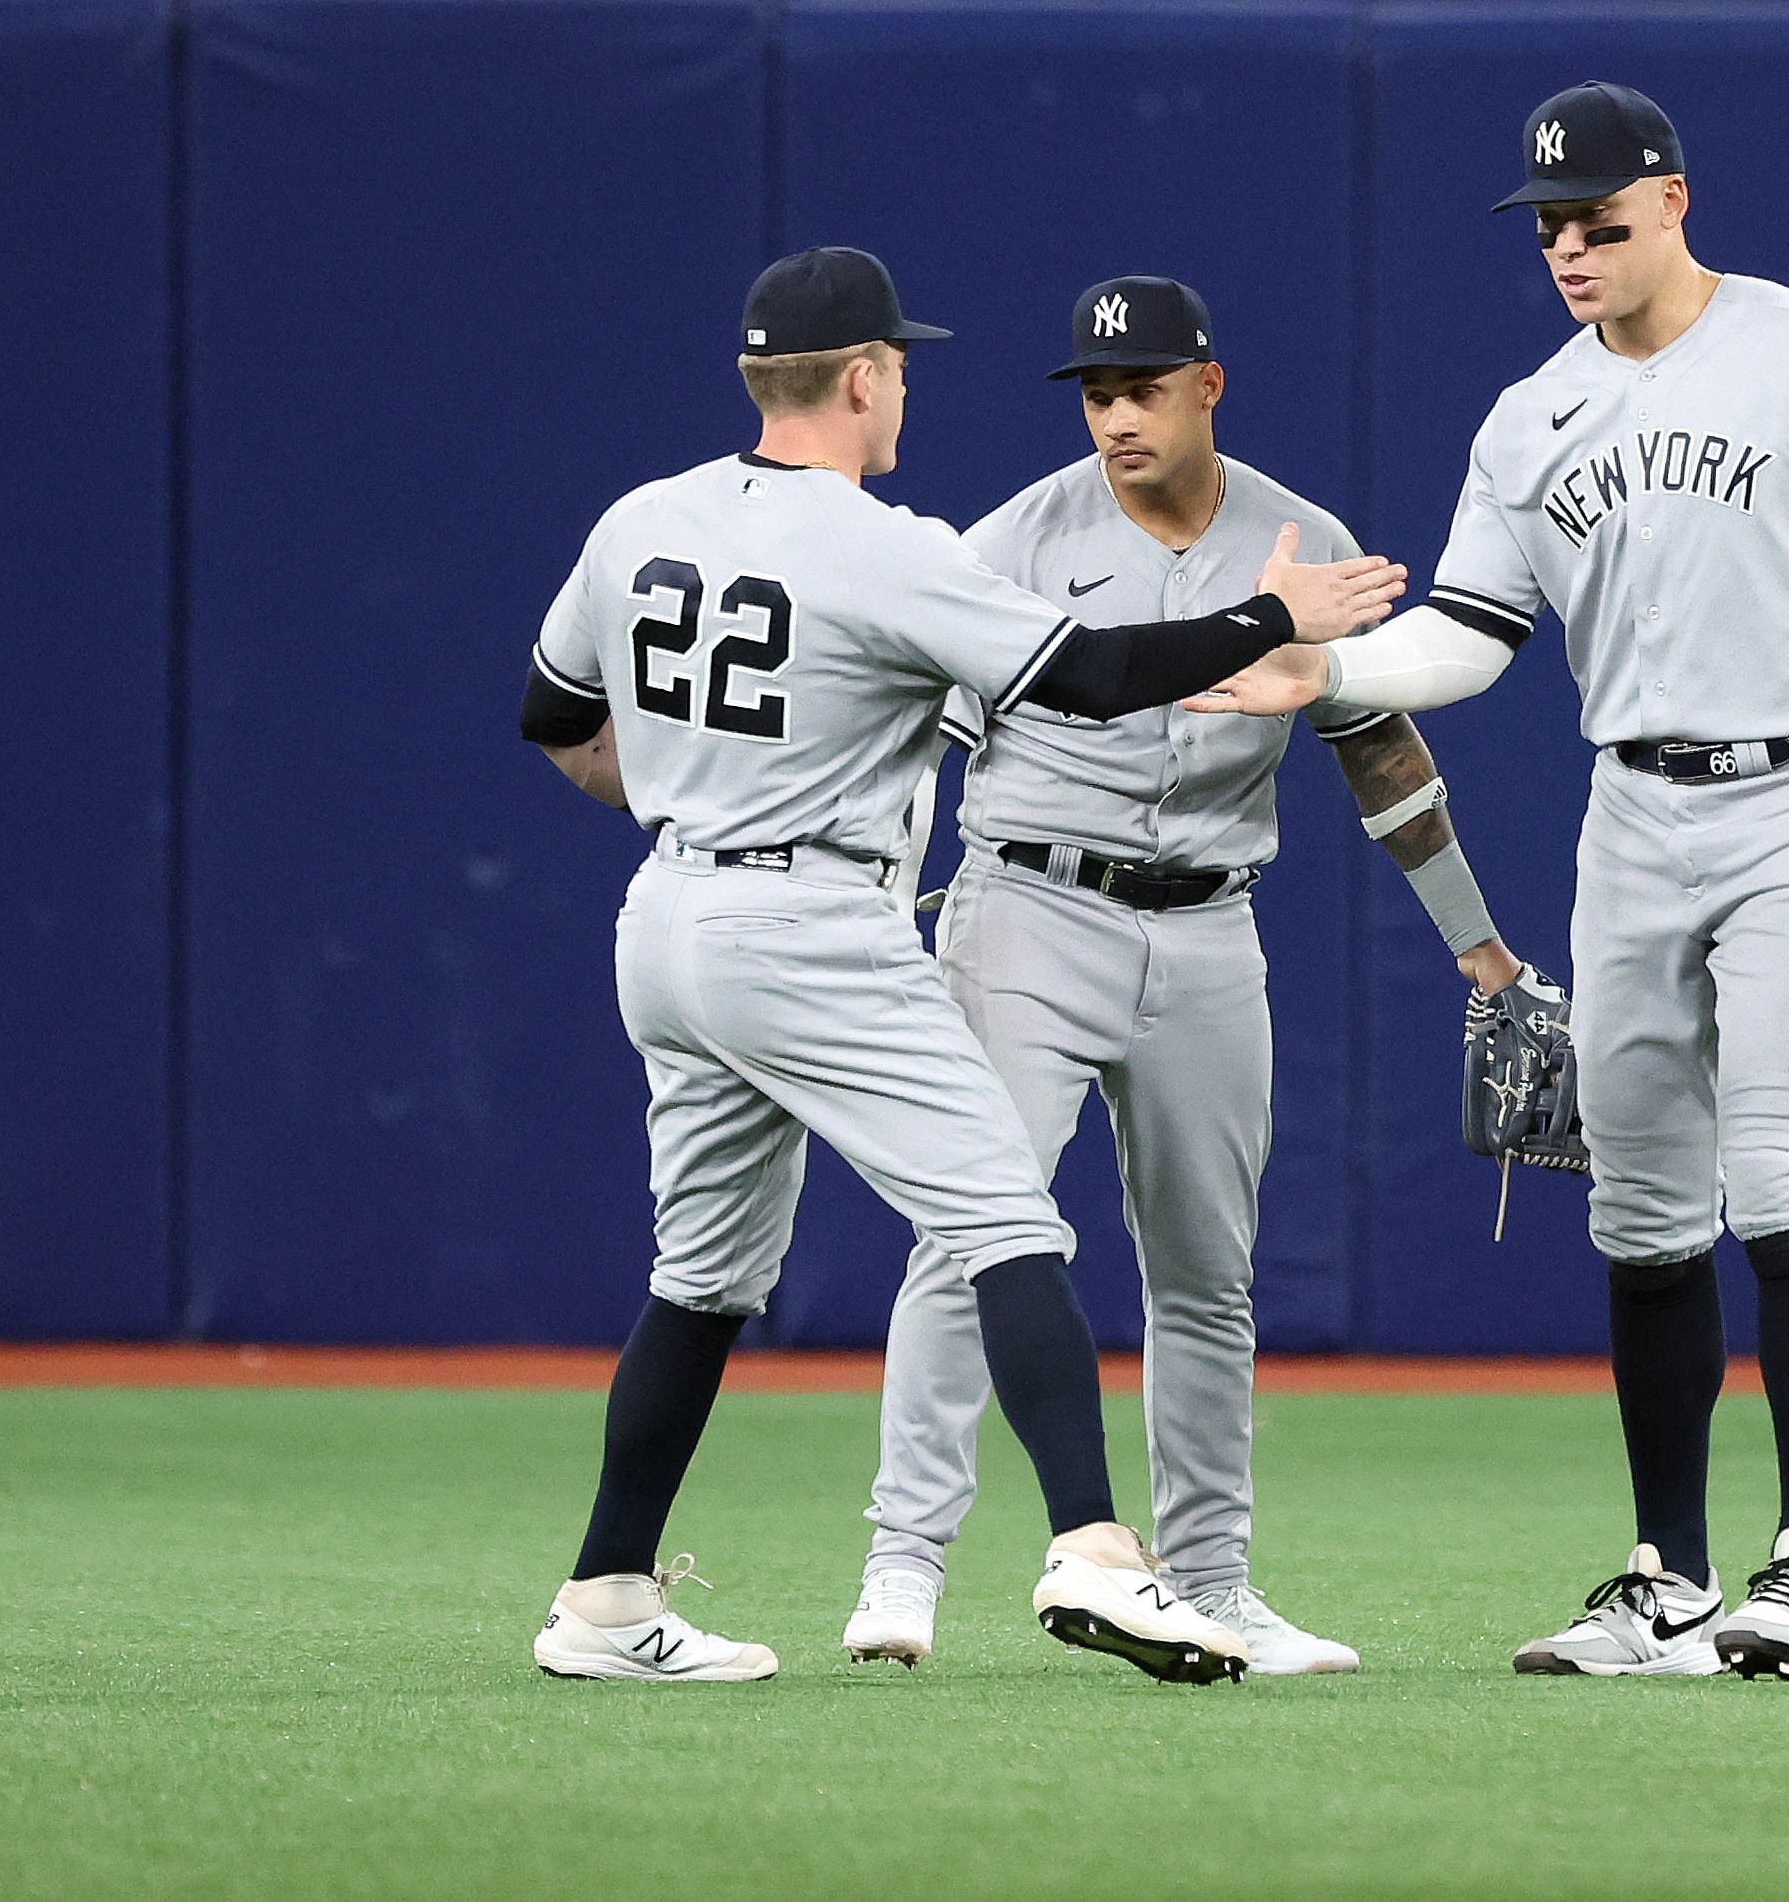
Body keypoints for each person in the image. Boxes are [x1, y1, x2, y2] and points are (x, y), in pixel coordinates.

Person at [1189, 83, 1789, 1682]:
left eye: (1598, 220)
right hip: (1633, 818)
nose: (1571, 250)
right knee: (1645, 1212)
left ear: (1673, 199)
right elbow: (1468, 633)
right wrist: (1317, 669)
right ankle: (1667, 1581)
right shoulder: (1528, 418)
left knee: (1786, 1179)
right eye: (1548, 230)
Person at [516, 246, 1403, 1684]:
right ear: (861, 378)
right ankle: (1097, 1552)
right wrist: (1271, 620)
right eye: (901, 366)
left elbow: (554, 716)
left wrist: (690, 792)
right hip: (808, 925)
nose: (905, 386)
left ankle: (605, 1602)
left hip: (668, 915)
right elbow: (1096, 679)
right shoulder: (887, 544)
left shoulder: (643, 517)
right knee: (1007, 1225)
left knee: (701, 1280)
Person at [842, 276, 1537, 1676]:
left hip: (1212, 924)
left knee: (1208, 1274)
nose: (1114, 416)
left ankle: (1212, 1582)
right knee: (977, 1231)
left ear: (1206, 386)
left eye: (1141, 387)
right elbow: (911, 733)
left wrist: (1473, 937)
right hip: (1029, 907)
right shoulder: (1011, 542)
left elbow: (1380, 749)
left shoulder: (1302, 543)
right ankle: (902, 1565)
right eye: (1096, 393)